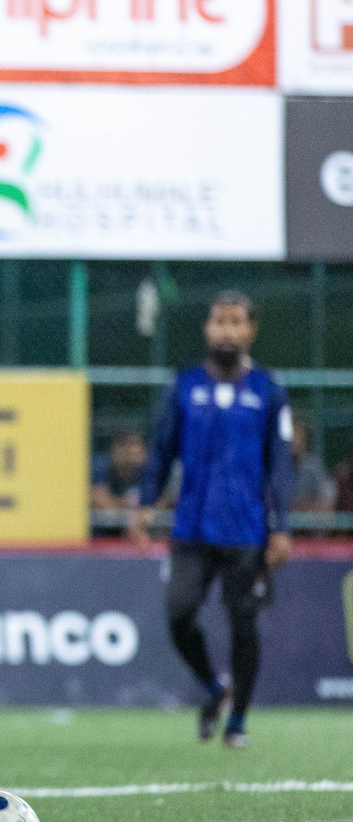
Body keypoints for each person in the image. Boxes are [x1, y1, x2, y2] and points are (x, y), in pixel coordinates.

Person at [128, 291, 293, 749]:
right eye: (219, 320)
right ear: (206, 328)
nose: (227, 329)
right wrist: (146, 504)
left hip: (247, 532)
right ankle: (213, 688)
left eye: (236, 321)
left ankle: (238, 718)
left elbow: (279, 464)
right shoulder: (183, 386)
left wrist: (282, 527)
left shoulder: (268, 390)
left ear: (251, 330)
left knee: (244, 627)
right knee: (179, 614)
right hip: (192, 528)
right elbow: (161, 451)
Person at [90, 429, 147, 536]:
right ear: (117, 448)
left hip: (133, 538)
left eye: (138, 444)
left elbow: (159, 503)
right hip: (98, 540)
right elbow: (105, 506)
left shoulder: (146, 471)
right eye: (131, 445)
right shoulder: (99, 466)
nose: (136, 450)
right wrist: (133, 505)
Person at [289, 414, 336, 514]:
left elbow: (327, 504)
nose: (293, 438)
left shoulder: (313, 465)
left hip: (308, 525)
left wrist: (302, 506)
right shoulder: (282, 466)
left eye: (298, 433)